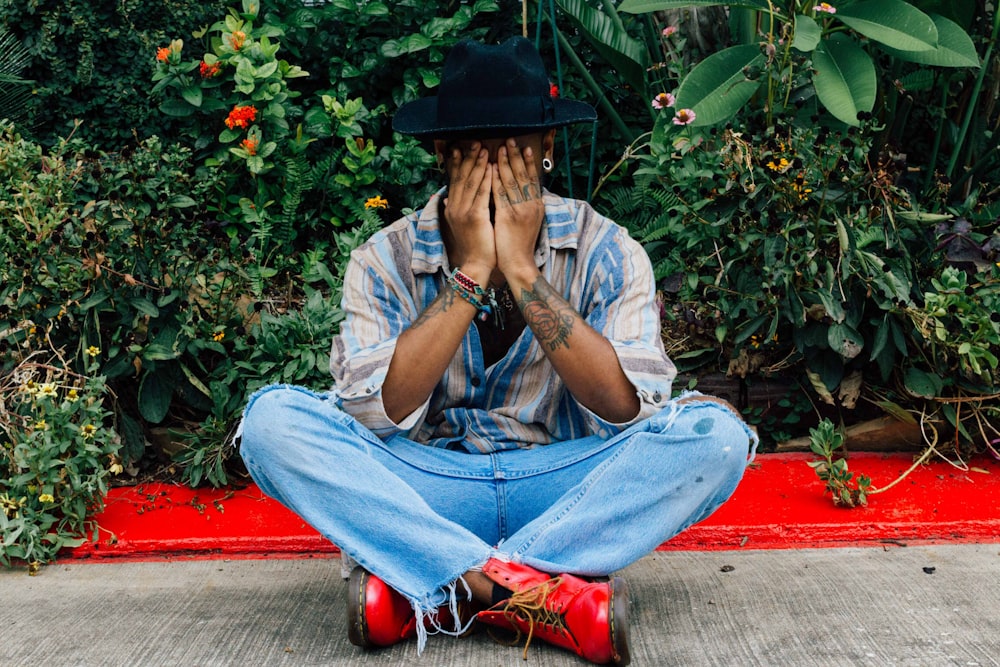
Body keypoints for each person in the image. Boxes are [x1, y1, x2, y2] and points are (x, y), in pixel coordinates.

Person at [237, 36, 757, 665]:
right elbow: (376, 412)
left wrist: (520, 268)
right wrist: (474, 268)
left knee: (717, 437)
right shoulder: (381, 260)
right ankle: (521, 592)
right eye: (471, 150)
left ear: (547, 150)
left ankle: (437, 586)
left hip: (564, 486)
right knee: (272, 424)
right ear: (440, 153)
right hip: (432, 487)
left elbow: (626, 408)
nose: (492, 168)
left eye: (512, 149)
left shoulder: (606, 249)